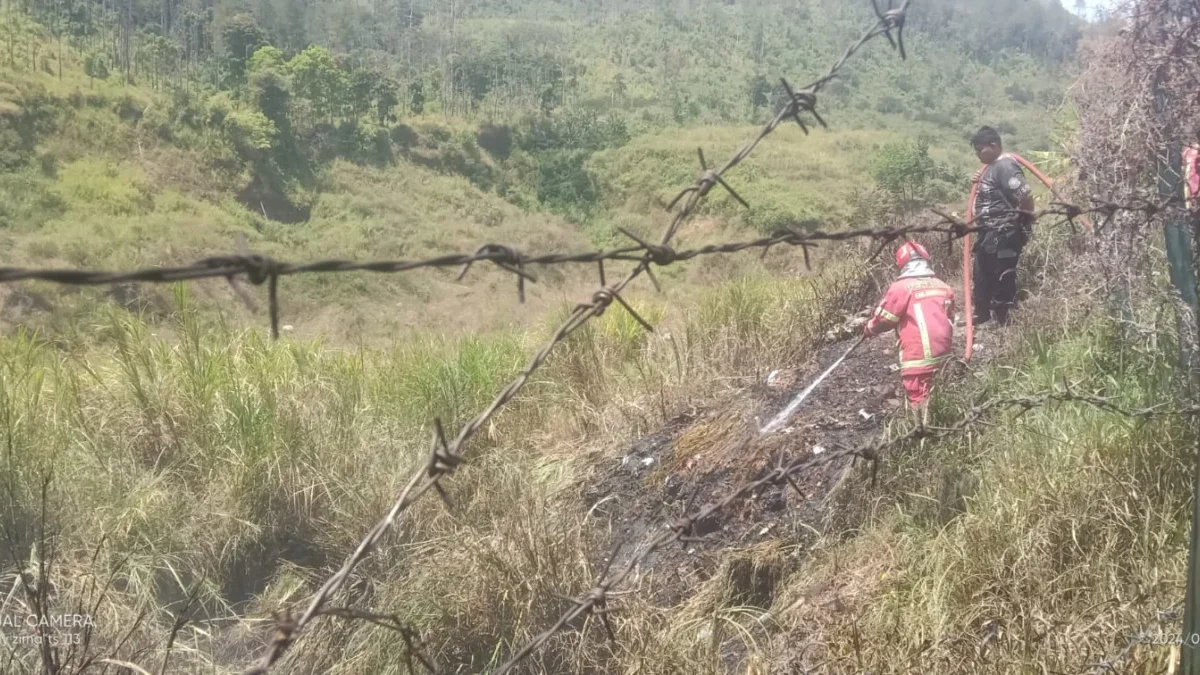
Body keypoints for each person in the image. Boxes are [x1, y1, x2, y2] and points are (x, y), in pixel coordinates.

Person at [863, 241, 955, 423]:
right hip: (944, 353)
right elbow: (951, 316)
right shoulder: (942, 285)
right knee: (939, 390)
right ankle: (942, 424)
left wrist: (870, 329)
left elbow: (885, 320)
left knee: (918, 394)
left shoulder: (900, 288)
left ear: (902, 265)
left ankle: (923, 436)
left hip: (917, 355)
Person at [969, 126, 1035, 327]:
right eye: (976, 151)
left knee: (1001, 275)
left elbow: (1024, 196)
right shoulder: (991, 168)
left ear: (994, 145)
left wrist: (1023, 222)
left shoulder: (1005, 166)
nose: (978, 154)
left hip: (1004, 232)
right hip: (988, 232)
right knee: (982, 274)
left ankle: (1001, 319)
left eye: (981, 150)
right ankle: (983, 315)